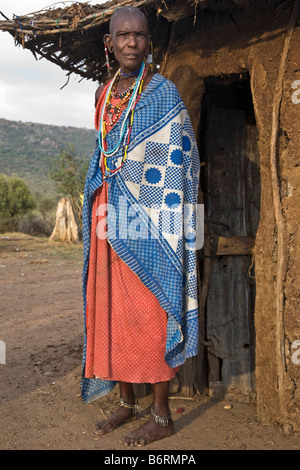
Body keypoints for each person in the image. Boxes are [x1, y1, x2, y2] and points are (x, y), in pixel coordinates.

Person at [81, 6, 200, 447]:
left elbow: (181, 160)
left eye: (141, 35)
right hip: (106, 216)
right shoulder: (101, 92)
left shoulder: (164, 94)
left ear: (151, 42)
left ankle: (162, 415)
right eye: (123, 36)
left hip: (150, 221)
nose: (132, 43)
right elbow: (104, 153)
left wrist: (152, 201)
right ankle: (127, 403)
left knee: (151, 310)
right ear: (109, 43)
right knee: (108, 310)